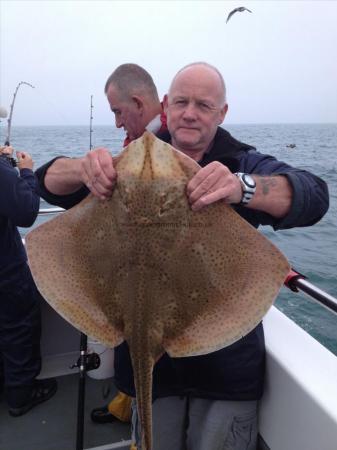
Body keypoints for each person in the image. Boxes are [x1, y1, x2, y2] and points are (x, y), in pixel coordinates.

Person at [36, 62, 329, 450]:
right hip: (151, 375)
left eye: (204, 105)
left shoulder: (240, 163)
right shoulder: (126, 165)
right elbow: (44, 181)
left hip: (225, 369)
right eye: (181, 102)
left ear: (222, 113)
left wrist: (242, 187)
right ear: (165, 105)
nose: (190, 112)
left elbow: (314, 196)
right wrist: (82, 169)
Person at [36, 63, 165, 427]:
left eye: (118, 112)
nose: (117, 123)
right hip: (127, 285)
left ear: (138, 102)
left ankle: (137, 411)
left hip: (163, 298)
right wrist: (83, 169)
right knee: (132, 362)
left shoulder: (180, 147)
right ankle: (129, 401)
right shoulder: (127, 150)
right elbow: (44, 183)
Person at [0, 145, 57, 417]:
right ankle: (21, 394)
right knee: (18, 327)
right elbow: (26, 211)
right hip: (5, 272)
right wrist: (25, 172)